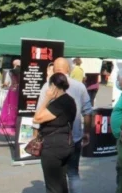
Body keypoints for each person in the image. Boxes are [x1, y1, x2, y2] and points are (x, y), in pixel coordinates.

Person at [35, 58, 92, 193]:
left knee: (55, 179)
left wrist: (36, 137)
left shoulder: (48, 87)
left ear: (54, 70)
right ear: (68, 69)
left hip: (53, 141)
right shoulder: (80, 87)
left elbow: (38, 116)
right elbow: (88, 112)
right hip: (74, 137)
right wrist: (87, 132)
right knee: (73, 172)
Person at [33, 73, 77, 193]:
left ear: (53, 86)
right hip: (66, 144)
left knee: (52, 186)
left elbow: (37, 118)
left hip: (53, 147)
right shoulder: (70, 100)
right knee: (61, 183)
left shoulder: (59, 103)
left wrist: (46, 99)